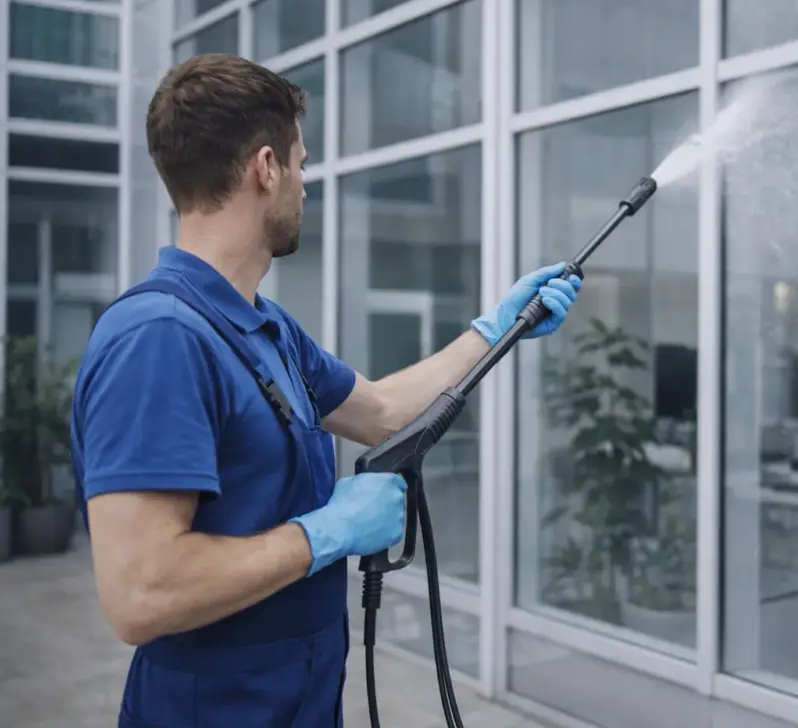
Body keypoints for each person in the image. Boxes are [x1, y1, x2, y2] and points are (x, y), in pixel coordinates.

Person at [69, 53, 582, 727]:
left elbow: (384, 412)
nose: (305, 186)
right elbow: (140, 593)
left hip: (301, 704)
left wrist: (498, 328)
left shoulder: (264, 327)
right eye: (302, 165)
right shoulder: (158, 339)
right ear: (264, 167)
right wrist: (324, 534)